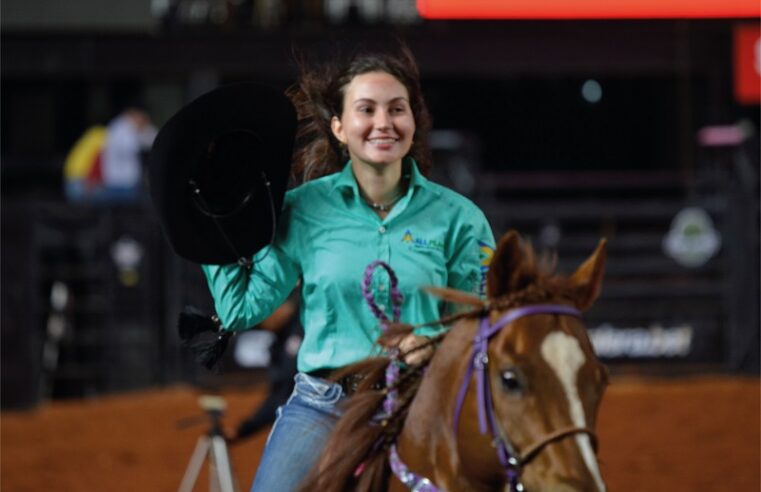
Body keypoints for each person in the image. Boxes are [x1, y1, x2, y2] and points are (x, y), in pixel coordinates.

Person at [201, 43, 495, 492]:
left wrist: (433, 342)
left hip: (427, 402)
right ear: (339, 126)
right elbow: (241, 309)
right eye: (366, 109)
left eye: (398, 109)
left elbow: (482, 320)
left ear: (414, 123)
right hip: (324, 406)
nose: (384, 122)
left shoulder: (461, 219)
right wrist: (207, 223)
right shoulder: (302, 211)